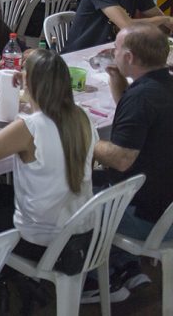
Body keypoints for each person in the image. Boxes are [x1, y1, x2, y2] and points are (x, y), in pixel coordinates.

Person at [0, 49, 96, 273]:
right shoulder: (82, 116)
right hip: (82, 232)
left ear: (30, 83)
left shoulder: (30, 127)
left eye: (23, 71)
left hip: (42, 242)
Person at [87, 24, 173, 301]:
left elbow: (121, 159)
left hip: (148, 218)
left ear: (130, 58)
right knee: (107, 183)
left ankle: (93, 282)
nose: (113, 50)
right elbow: (138, 124)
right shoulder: (162, 85)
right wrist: (116, 78)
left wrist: (81, 139)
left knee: (70, 195)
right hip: (164, 202)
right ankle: (125, 266)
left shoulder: (142, 98)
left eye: (117, 47)